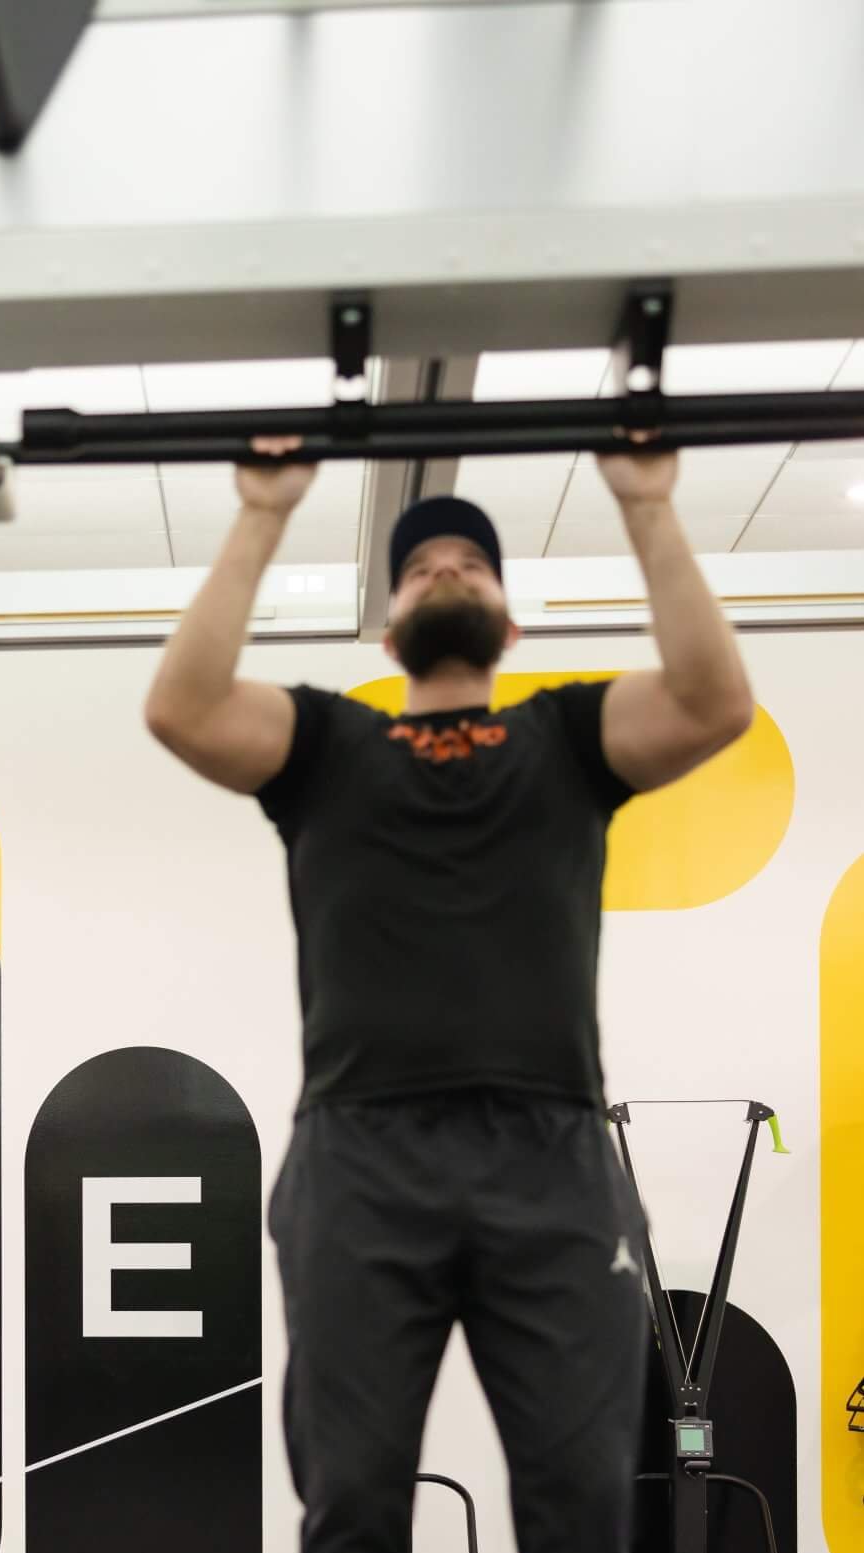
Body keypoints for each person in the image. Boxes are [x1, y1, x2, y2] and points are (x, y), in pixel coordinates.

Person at [144, 436, 755, 1553]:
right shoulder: (329, 742)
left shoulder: (564, 736)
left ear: (509, 623)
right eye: (421, 566)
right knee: (353, 1505)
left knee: (584, 1509)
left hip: (551, 1157)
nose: (445, 570)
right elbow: (182, 707)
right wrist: (263, 512)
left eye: (471, 563)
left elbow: (714, 701)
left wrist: (647, 501)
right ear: (388, 631)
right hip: (361, 1157)